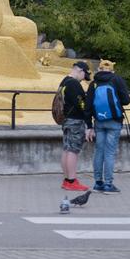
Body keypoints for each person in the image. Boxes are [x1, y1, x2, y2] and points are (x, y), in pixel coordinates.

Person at [86, 59, 130, 194]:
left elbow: (88, 106)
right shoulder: (117, 80)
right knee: (109, 153)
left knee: (99, 152)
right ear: (112, 70)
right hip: (114, 121)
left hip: (99, 121)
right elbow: (126, 100)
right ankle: (108, 185)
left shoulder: (93, 84)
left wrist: (89, 125)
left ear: (99, 69)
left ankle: (98, 183)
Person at [58, 61, 93, 191]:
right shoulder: (74, 84)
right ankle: (71, 181)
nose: (84, 79)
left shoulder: (64, 81)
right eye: (84, 76)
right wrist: (89, 122)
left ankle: (67, 179)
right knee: (73, 151)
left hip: (66, 120)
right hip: (75, 121)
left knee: (67, 149)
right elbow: (82, 105)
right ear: (80, 71)